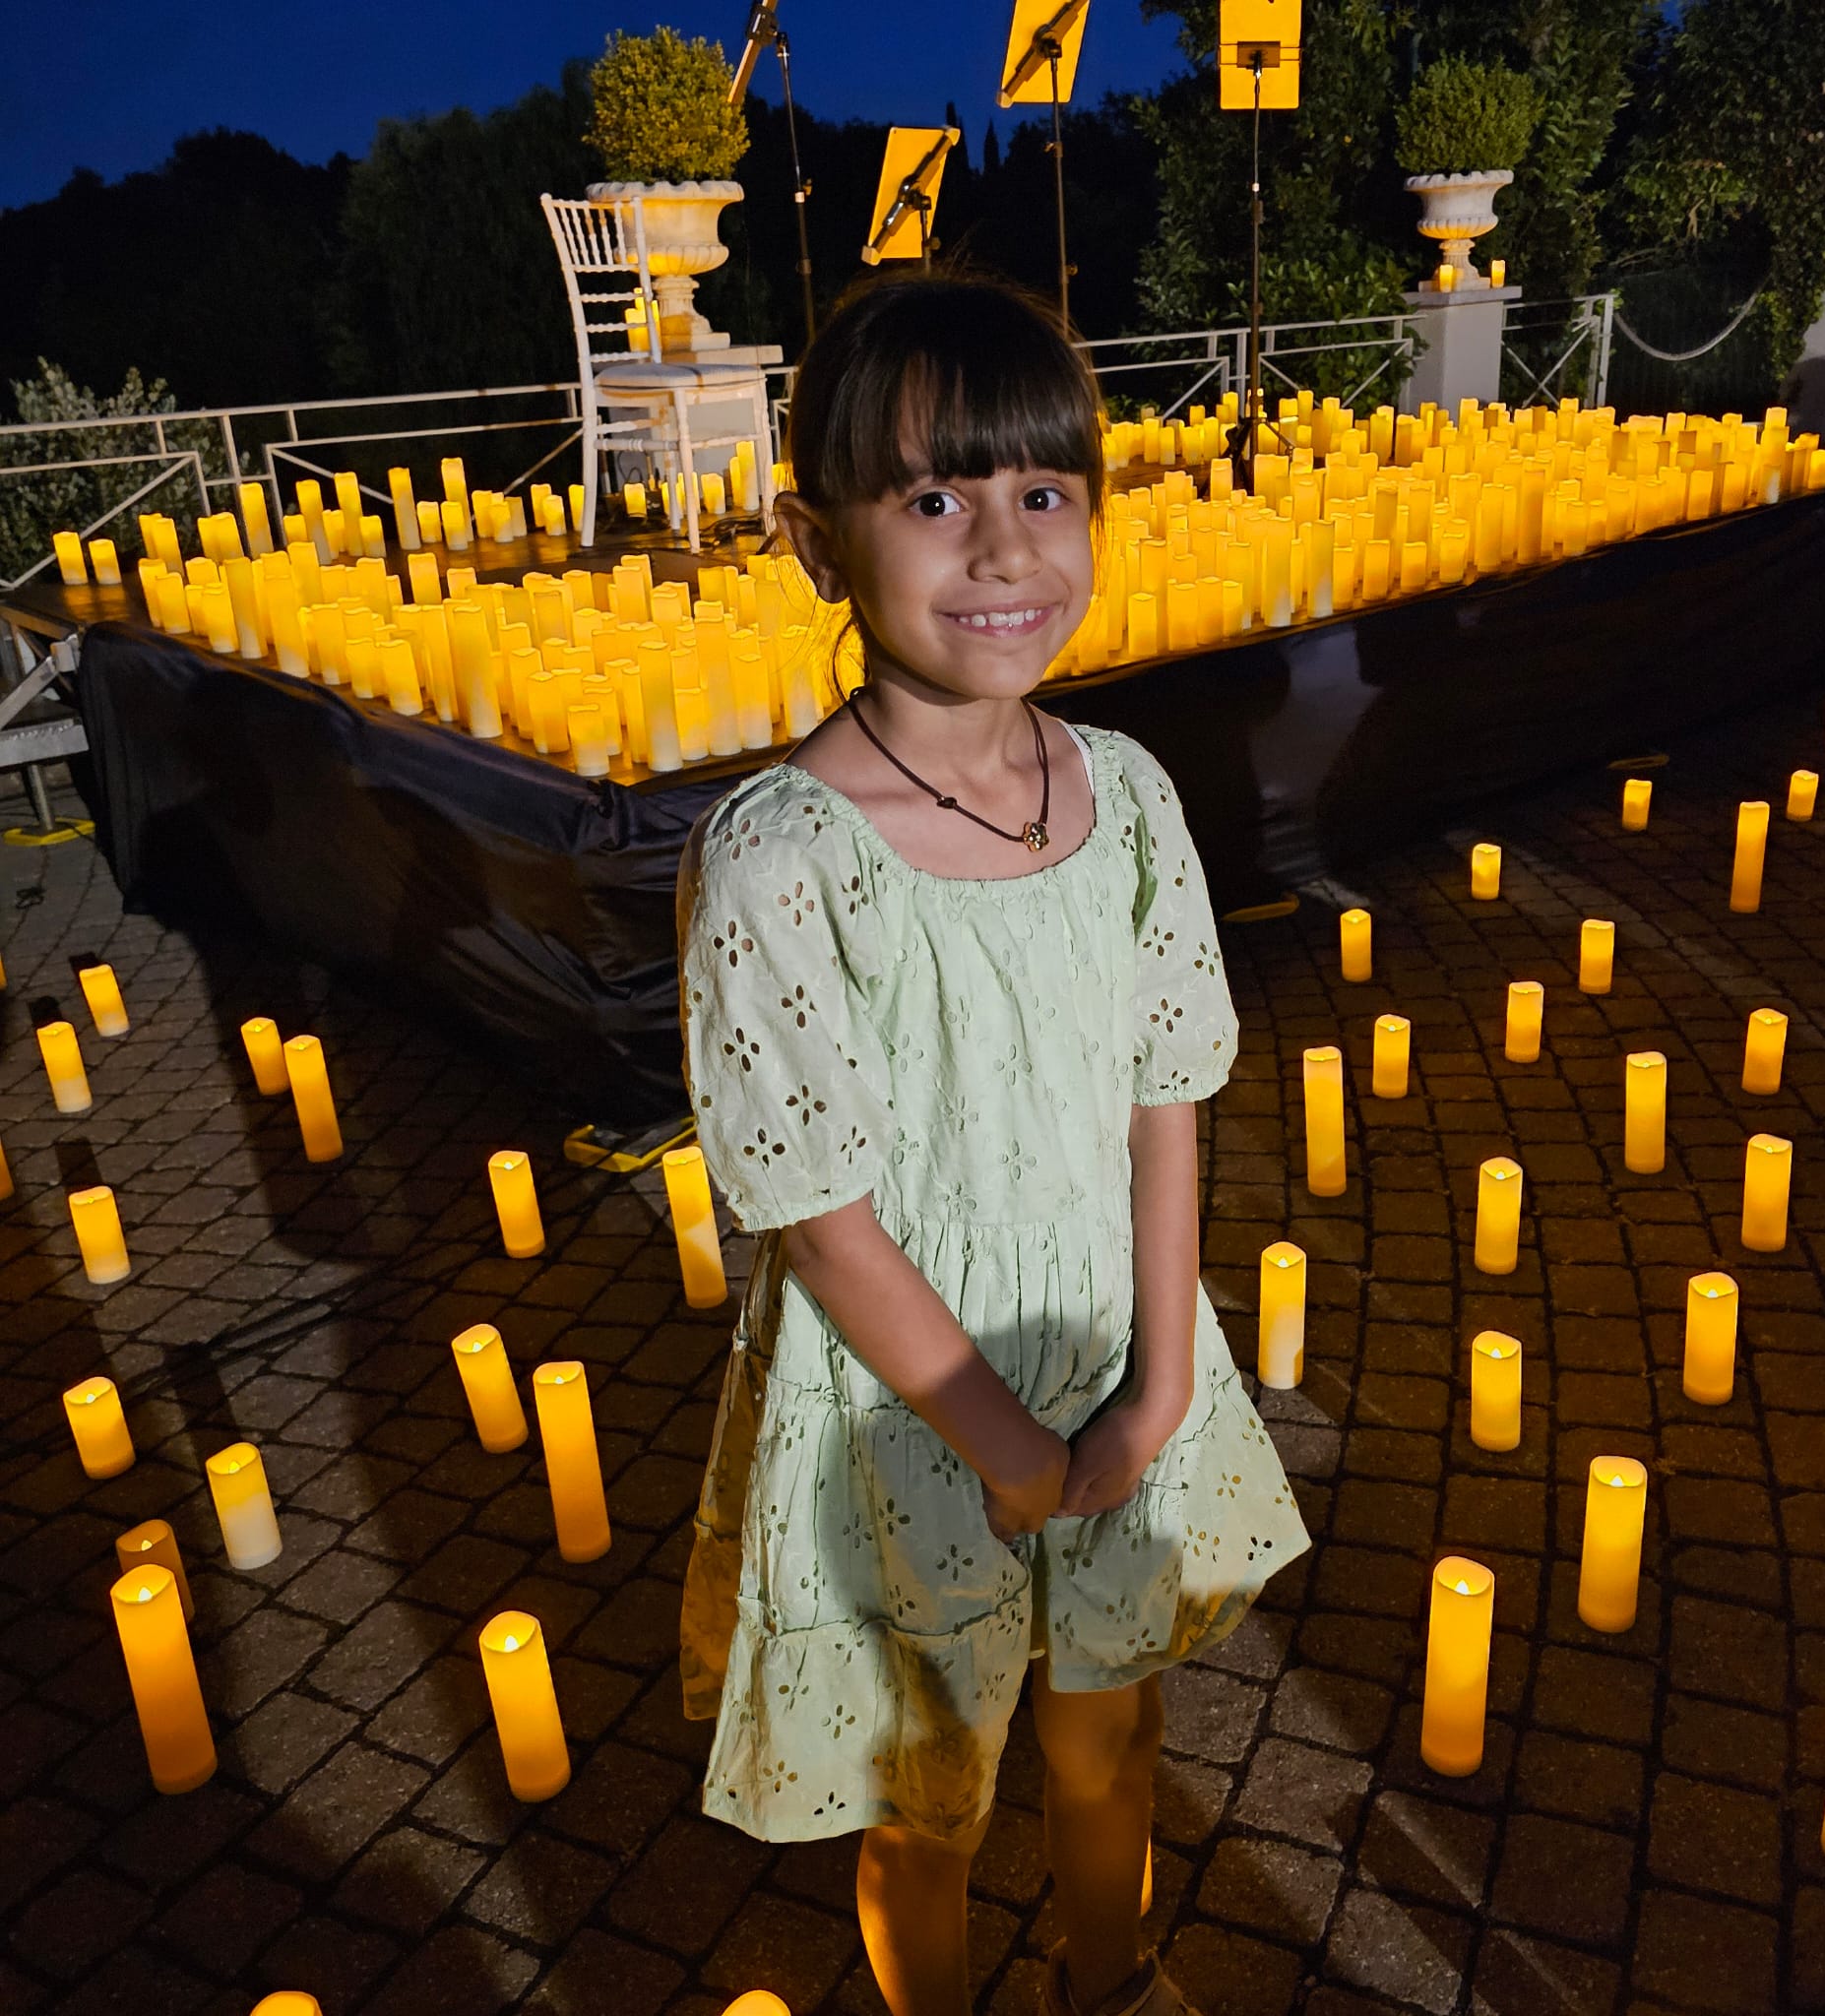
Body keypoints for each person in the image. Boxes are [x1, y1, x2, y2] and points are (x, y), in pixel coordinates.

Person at [676, 274, 1311, 2016]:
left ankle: (1106, 1985)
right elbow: (817, 1202)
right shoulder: (783, 851)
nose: (1005, 552)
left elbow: (1167, 1086)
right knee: (925, 1804)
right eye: (935, 500)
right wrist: (1002, 1443)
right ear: (820, 542)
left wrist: (1164, 1379)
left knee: (1111, 1746)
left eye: (1044, 493)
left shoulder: (1127, 791)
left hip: (1112, 1342)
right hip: (906, 1406)